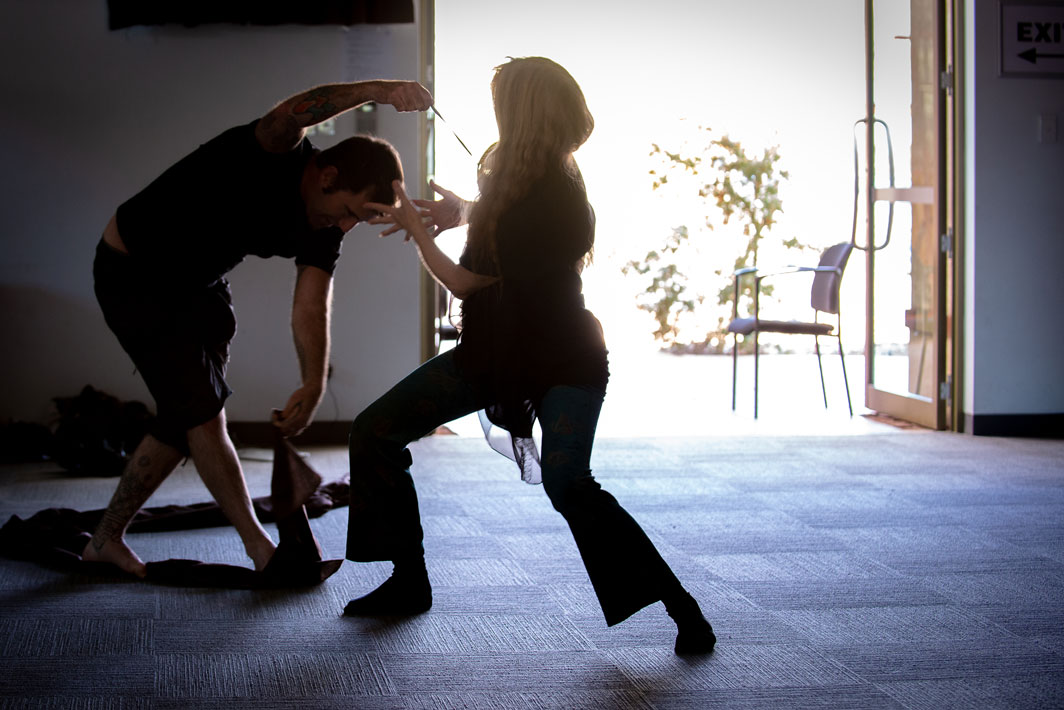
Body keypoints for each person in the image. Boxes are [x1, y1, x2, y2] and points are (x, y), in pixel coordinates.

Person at [344, 57, 716, 655]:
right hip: (496, 354)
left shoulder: (556, 199)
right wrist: (458, 212)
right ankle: (407, 580)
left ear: (522, 114)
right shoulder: (527, 180)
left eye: (502, 105)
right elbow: (501, 216)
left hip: (563, 361)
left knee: (570, 484)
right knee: (375, 431)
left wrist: (419, 232)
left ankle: (683, 608)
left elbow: (467, 283)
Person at [84, 79, 434, 578]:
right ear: (328, 176)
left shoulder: (325, 227)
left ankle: (104, 541)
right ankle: (261, 550)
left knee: (185, 417)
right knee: (202, 414)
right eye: (353, 213)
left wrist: (314, 383)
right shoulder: (274, 152)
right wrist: (379, 89)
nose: (347, 227)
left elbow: (311, 304)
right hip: (132, 272)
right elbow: (291, 113)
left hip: (198, 286)